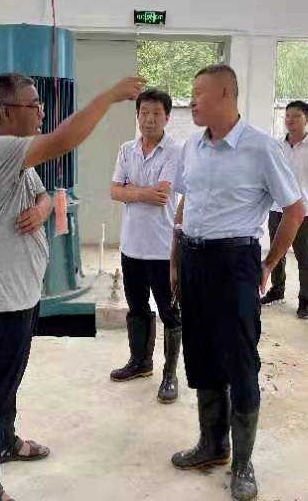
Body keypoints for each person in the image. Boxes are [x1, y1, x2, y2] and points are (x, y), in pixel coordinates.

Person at [0, 73, 146, 501]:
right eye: (34, 104)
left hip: (20, 295)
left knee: (6, 383)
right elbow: (64, 141)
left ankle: (5, 442)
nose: (42, 111)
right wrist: (109, 96)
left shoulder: (17, 160)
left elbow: (44, 195)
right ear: (6, 111)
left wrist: (43, 209)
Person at [169, 64, 305, 500]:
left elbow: (295, 210)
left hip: (235, 263)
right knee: (201, 353)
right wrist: (176, 258)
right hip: (193, 259)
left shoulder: (261, 148)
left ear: (227, 94)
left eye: (199, 92)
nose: (191, 100)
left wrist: (269, 263)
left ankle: (243, 464)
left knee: (240, 362)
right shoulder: (192, 146)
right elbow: (185, 201)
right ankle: (212, 445)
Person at [109, 88, 183, 403]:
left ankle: (170, 375)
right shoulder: (127, 149)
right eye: (144, 113)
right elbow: (114, 190)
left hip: (163, 248)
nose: (149, 119)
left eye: (156, 113)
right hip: (132, 246)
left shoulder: (175, 151)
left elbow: (161, 195)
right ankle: (140, 362)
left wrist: (131, 190)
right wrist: (141, 192)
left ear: (167, 117)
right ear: (137, 115)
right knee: (137, 308)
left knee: (170, 312)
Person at [262, 101, 308, 319]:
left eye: (296, 116)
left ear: (306, 119)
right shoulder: (277, 145)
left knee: (305, 257)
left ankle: (305, 299)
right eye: (287, 115)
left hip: (303, 213)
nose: (290, 120)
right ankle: (277, 290)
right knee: (277, 253)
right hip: (277, 208)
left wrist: (307, 200)